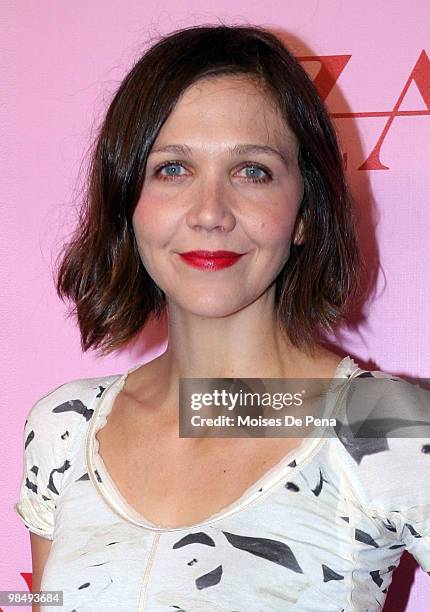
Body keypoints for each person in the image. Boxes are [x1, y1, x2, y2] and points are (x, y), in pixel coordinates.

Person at [14, 24, 430, 611]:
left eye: (252, 171)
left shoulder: (381, 426)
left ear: (305, 212)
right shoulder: (65, 429)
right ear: (128, 202)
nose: (210, 213)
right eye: (173, 170)